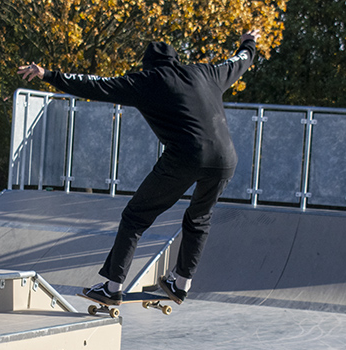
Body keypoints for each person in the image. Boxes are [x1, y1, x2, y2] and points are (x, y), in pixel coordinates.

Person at [18, 29, 260, 306]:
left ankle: (112, 287)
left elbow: (95, 85)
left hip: (185, 157)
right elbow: (240, 61)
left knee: (135, 217)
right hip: (225, 159)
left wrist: (48, 74)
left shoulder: (147, 81)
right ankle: (181, 284)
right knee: (199, 218)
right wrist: (249, 42)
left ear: (148, 65)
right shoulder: (206, 72)